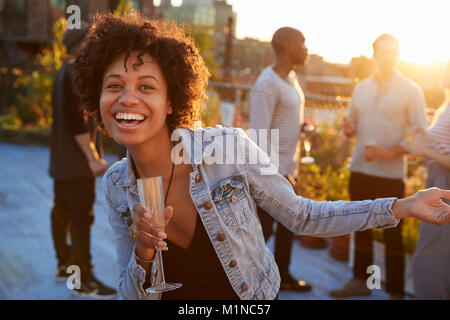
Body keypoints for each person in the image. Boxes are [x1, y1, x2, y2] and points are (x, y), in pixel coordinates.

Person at [70, 12, 450, 300]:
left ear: (171, 102)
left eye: (146, 86)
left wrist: (403, 205)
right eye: (114, 86)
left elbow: (303, 215)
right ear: (97, 98)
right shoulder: (117, 185)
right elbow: (130, 294)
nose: (127, 98)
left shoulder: (227, 150)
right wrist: (143, 253)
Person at [330, 34, 428, 300]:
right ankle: (360, 281)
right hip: (359, 170)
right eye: (383, 52)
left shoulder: (411, 90)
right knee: (360, 226)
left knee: (392, 236)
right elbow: (351, 124)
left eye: (393, 52)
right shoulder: (361, 88)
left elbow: (421, 137)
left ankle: (396, 292)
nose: (388, 57)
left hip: (390, 176)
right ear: (374, 55)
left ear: (398, 55)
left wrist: (389, 151)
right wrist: (349, 129)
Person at [49, 24, 117, 299]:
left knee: (61, 213)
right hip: (77, 164)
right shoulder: (75, 75)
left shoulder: (61, 72)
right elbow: (76, 123)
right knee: (80, 220)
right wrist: (93, 158)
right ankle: (83, 280)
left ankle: (65, 265)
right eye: (90, 41)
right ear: (81, 45)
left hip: (61, 162)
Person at [249, 27, 312, 292]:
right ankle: (248, 282)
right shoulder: (266, 84)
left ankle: (283, 277)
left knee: (287, 227)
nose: (306, 48)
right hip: (271, 174)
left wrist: (305, 130)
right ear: (287, 45)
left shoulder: (291, 79)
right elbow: (259, 136)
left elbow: (285, 123)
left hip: (288, 171)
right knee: (263, 231)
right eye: (302, 42)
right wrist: (274, 174)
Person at [405, 62, 450, 299]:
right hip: (438, 179)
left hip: (445, 184)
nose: (444, 73)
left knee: (432, 254)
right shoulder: (446, 105)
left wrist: (422, 149)